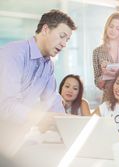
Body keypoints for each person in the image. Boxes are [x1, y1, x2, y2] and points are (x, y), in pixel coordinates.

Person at [0, 10, 76, 155]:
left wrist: (68, 124)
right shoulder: (13, 54)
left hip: (15, 135)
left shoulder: (48, 65)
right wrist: (41, 117)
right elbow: (5, 106)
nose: (64, 44)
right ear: (46, 29)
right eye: (62, 36)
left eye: (67, 40)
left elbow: (52, 100)